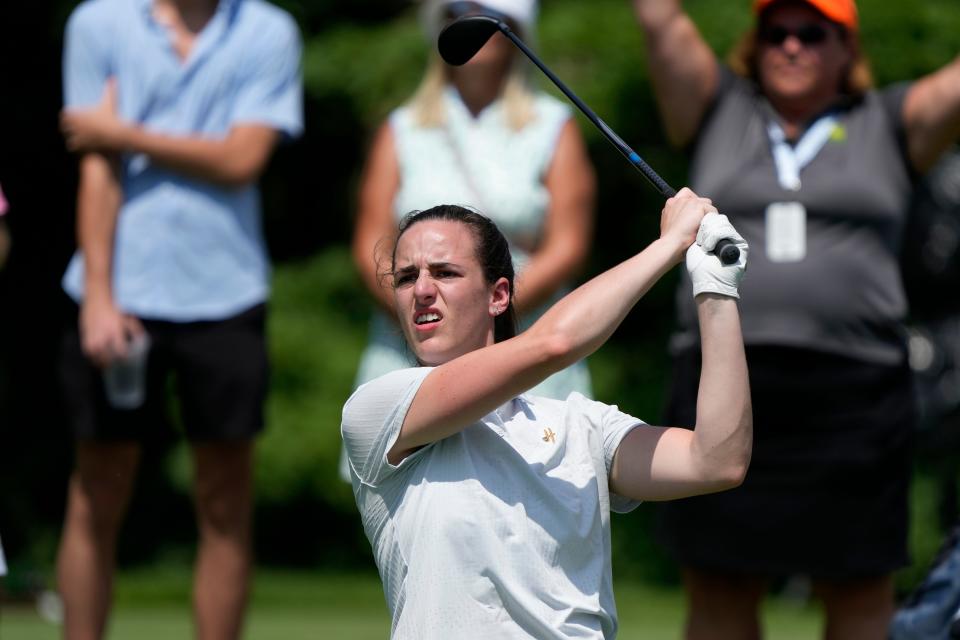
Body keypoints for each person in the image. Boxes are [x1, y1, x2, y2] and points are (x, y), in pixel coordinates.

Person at [630, 0, 960, 637]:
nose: (791, 45)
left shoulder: (888, 121)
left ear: (846, 49)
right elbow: (660, 20)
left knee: (860, 585)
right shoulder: (717, 109)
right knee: (720, 580)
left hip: (855, 391)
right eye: (775, 31)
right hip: (724, 377)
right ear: (755, 44)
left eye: (813, 32)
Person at [341, 193, 751, 638]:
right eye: (405, 278)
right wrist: (670, 243)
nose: (421, 290)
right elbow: (554, 343)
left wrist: (716, 290)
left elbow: (716, 461)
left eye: (444, 273)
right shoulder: (379, 410)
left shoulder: (583, 425)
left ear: (498, 296)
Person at [56, 0, 302, 637]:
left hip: (226, 291)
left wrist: (124, 132)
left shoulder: (268, 31)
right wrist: (99, 297)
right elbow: (97, 166)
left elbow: (241, 160)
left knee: (225, 500)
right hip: (117, 294)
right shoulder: (98, 22)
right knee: (97, 490)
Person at [350, 0, 596, 402]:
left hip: (521, 342)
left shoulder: (553, 126)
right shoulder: (401, 128)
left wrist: (487, 314)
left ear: (515, 29)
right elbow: (369, 244)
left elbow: (568, 245)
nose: (469, 22)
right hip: (409, 351)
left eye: (485, 13)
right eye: (457, 11)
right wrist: (424, 316)